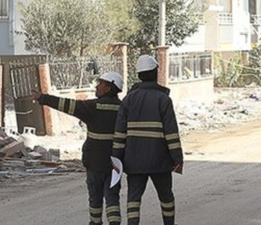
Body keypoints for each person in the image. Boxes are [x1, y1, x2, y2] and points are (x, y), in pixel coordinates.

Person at [32, 71, 125, 225]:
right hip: (115, 164)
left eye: (101, 83)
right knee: (112, 198)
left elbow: (66, 105)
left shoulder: (92, 107)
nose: (97, 86)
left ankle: (95, 223)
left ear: (108, 88)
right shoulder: (124, 109)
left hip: (94, 162)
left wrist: (43, 98)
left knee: (95, 199)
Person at [112, 55, 183, 225]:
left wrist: (116, 159)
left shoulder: (128, 100)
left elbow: (119, 134)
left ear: (139, 74)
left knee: (134, 198)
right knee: (166, 196)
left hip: (134, 161)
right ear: (155, 73)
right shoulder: (163, 99)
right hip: (160, 160)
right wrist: (177, 159)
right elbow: (171, 133)